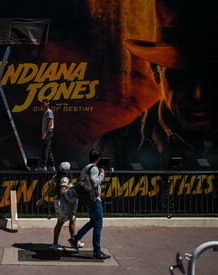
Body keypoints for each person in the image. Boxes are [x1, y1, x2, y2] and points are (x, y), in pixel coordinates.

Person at [92, 0, 218, 170]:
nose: (198, 94)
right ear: (156, 71)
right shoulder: (114, 147)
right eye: (180, 77)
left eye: (210, 77)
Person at [68, 150, 110, 259]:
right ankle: (97, 251)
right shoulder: (94, 168)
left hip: (88, 200)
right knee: (98, 225)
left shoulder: (85, 168)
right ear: (98, 158)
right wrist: (102, 174)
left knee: (93, 222)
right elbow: (94, 182)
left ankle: (75, 239)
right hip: (95, 200)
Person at [36, 162, 84, 251]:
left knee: (72, 219)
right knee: (61, 222)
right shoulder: (65, 178)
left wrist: (42, 199)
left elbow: (50, 188)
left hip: (61, 202)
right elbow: (62, 191)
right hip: (64, 203)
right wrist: (71, 189)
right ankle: (55, 243)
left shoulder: (55, 176)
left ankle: (74, 240)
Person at [37, 99, 55, 171]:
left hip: (48, 132)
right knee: (49, 150)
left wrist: (45, 133)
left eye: (44, 103)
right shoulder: (46, 112)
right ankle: (52, 166)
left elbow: (50, 124)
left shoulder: (48, 112)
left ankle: (43, 166)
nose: (42, 104)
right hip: (48, 132)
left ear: (48, 103)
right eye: (42, 103)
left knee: (45, 149)